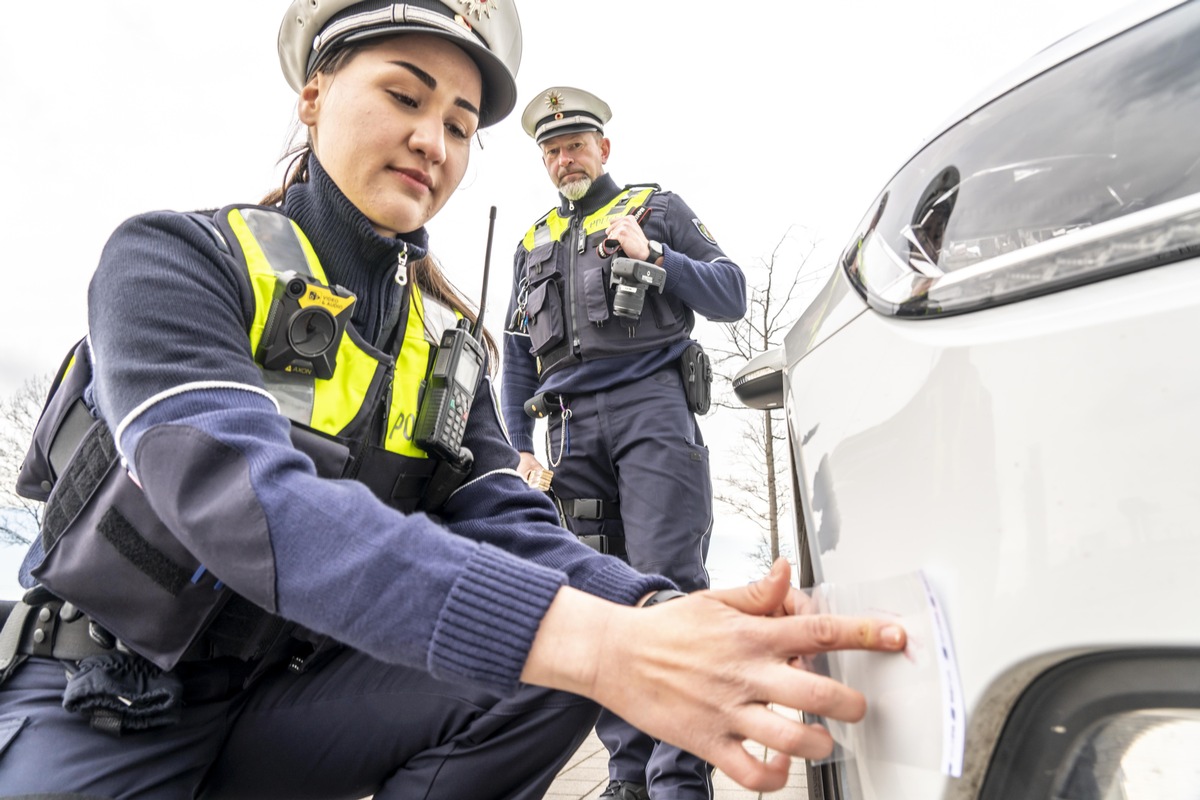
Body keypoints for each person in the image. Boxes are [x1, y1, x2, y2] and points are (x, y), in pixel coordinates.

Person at [0, 3, 906, 798]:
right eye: (404, 96)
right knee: (570, 648)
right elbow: (240, 498)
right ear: (313, 95)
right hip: (106, 688)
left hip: (278, 700)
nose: (435, 140)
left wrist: (654, 617)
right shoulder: (174, 259)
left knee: (554, 674)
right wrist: (596, 641)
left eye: (462, 124)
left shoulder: (447, 342)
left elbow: (515, 523)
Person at [501, 87, 747, 799]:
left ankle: (678, 783)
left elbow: (729, 292)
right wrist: (520, 446)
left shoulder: (653, 206)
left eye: (574, 143)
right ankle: (628, 779)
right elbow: (517, 352)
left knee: (668, 589)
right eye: (550, 150)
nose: (562, 158)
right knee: (601, 604)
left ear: (603, 148)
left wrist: (658, 255)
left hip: (651, 412)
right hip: (567, 428)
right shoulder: (532, 241)